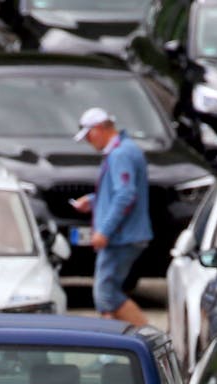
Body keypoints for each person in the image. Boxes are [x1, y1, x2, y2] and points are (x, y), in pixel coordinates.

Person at [71, 108, 151, 325]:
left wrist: (104, 231)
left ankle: (145, 337)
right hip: (124, 235)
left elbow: (125, 195)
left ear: (98, 129)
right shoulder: (124, 149)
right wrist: (93, 201)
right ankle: (117, 337)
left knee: (106, 294)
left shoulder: (120, 154)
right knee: (107, 293)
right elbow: (120, 192)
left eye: (88, 135)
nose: (88, 141)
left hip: (121, 237)